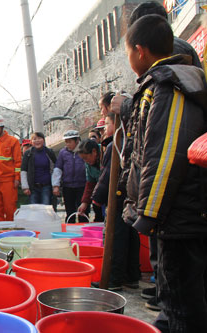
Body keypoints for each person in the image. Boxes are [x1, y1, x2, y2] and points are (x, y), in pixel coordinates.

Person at [110, 1, 204, 321]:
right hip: (175, 214)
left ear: (140, 50)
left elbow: (164, 158)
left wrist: (148, 213)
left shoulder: (168, 85)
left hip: (177, 215)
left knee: (181, 302)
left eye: (128, 53)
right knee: (174, 297)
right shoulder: (159, 83)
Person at [92, 112, 141, 290]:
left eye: (106, 124)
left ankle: (113, 278)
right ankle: (131, 275)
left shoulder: (116, 145)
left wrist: (96, 198)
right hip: (130, 196)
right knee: (130, 235)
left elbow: (107, 177)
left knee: (115, 237)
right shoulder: (129, 142)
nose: (104, 129)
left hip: (118, 197)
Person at [52, 130, 88, 223]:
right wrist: (56, 185)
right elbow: (58, 168)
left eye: (69, 141)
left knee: (83, 212)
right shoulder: (63, 152)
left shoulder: (84, 150)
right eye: (66, 142)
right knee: (70, 211)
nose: (67, 144)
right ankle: (70, 231)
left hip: (82, 186)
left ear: (77, 141)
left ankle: (84, 231)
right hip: (68, 186)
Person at [21, 132, 56, 205]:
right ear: (31, 141)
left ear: (43, 140)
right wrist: (25, 187)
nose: (37, 141)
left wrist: (56, 185)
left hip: (46, 186)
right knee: (34, 209)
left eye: (39, 138)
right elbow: (24, 171)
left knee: (46, 208)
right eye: (34, 139)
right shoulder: (28, 154)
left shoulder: (49, 152)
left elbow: (56, 169)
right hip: (33, 187)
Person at [76, 139, 104, 222]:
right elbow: (90, 183)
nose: (85, 161)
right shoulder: (88, 164)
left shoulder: (106, 153)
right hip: (99, 193)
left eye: (85, 158)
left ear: (94, 152)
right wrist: (84, 202)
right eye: (83, 159)